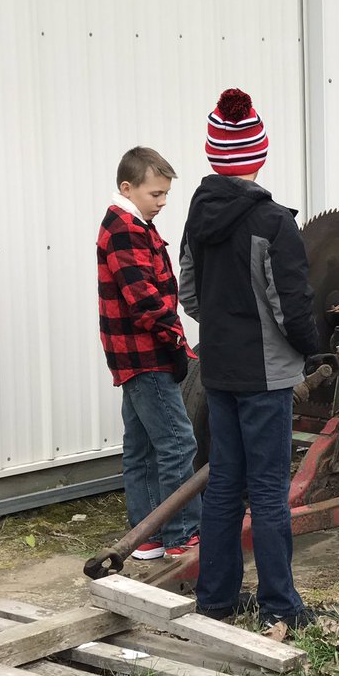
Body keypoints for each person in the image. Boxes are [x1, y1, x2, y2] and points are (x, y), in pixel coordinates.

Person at [178, 88, 321, 630]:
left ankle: (214, 598)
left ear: (215, 155)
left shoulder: (197, 216)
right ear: (258, 155)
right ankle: (280, 606)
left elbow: (188, 291)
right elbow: (293, 309)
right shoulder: (272, 223)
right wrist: (311, 347)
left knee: (223, 486)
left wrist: (221, 330)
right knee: (266, 491)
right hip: (266, 375)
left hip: (218, 369)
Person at [97, 146, 201, 561]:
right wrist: (178, 340)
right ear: (128, 187)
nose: (162, 202)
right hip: (146, 355)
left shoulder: (133, 223)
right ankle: (180, 536)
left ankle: (147, 537)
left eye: (165, 195)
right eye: (155, 194)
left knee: (140, 445)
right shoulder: (125, 229)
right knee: (178, 442)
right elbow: (143, 299)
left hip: (133, 355)